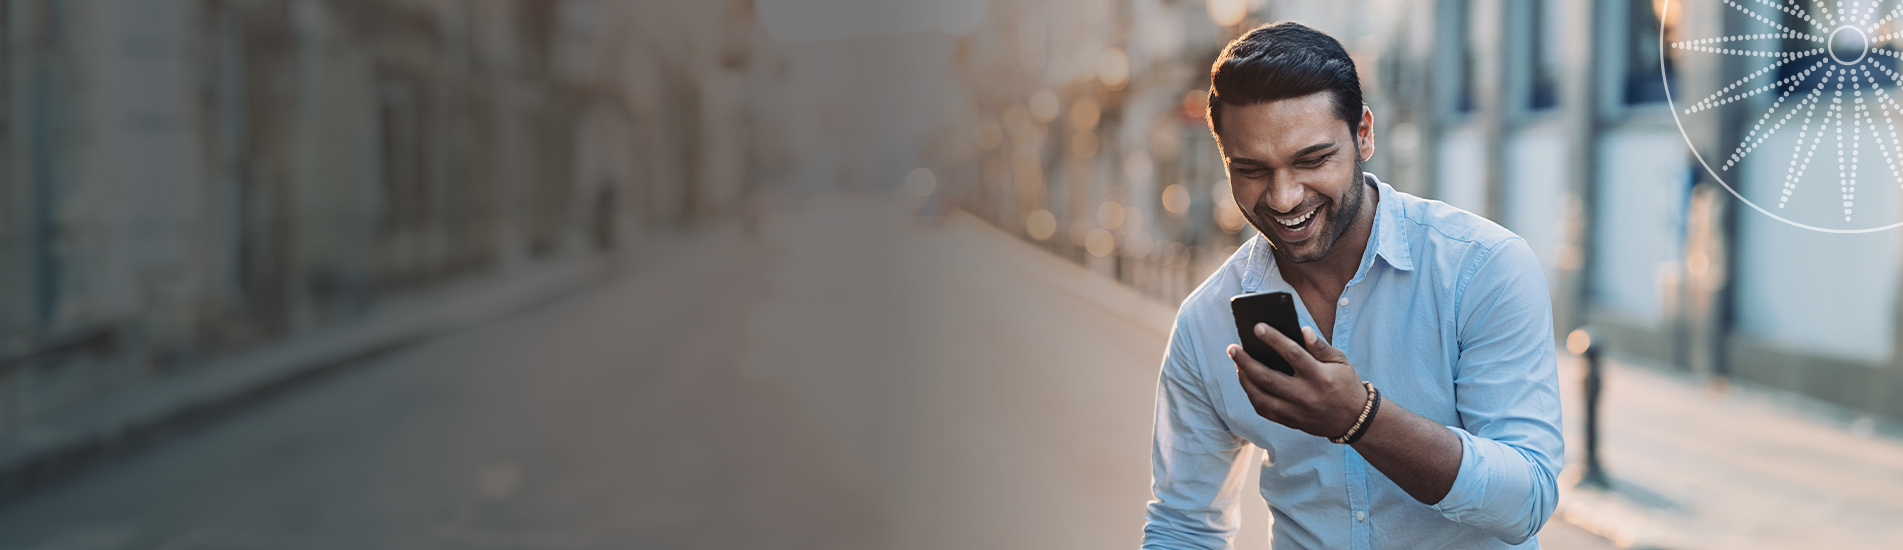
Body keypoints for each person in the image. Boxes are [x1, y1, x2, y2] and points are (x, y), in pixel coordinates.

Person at [1142, 22, 1564, 549]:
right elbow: (1183, 526)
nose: (1284, 197)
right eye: (1250, 169)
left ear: (1363, 134)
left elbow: (1526, 501)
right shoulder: (1206, 322)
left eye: (1312, 160)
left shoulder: (1482, 269)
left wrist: (1360, 418)